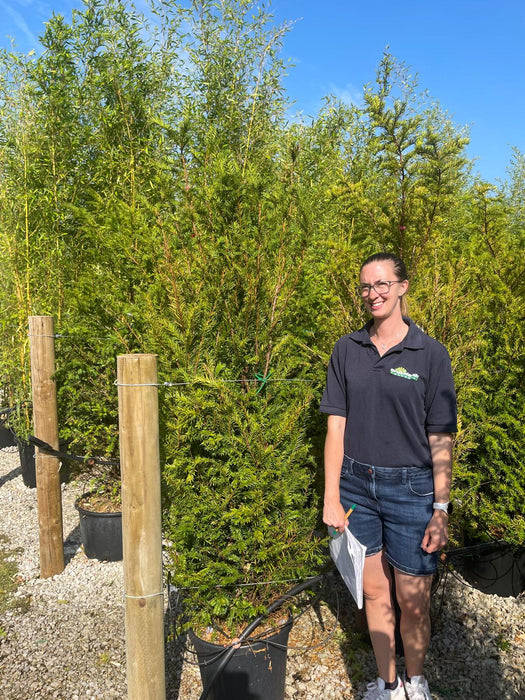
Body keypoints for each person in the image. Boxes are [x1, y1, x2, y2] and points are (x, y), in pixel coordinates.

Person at [320, 252, 456, 700]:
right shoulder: (347, 350)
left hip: (412, 491)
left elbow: (440, 436)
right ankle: (388, 683)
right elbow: (335, 426)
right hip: (357, 487)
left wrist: (440, 508)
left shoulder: (430, 354)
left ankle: (416, 685)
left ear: (402, 287)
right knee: (376, 594)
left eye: (381, 284)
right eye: (365, 286)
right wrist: (331, 497)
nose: (373, 293)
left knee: (413, 602)